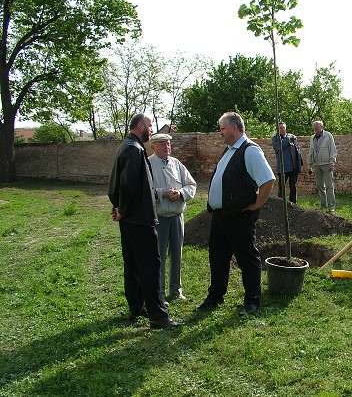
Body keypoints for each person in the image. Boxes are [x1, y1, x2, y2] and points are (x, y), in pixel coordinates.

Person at [108, 114, 183, 329]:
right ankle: (159, 316)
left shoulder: (126, 146)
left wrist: (119, 208)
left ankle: (136, 307)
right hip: (140, 219)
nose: (152, 129)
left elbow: (117, 186)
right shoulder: (134, 149)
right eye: (150, 125)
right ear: (140, 126)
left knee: (133, 264)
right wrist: (121, 209)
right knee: (150, 265)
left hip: (131, 218)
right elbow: (127, 185)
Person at [196, 112, 275, 316]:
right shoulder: (229, 150)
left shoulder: (250, 151)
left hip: (240, 216)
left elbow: (268, 180)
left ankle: (252, 301)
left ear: (234, 128)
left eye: (222, 128)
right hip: (221, 216)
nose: (220, 133)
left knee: (247, 258)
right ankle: (215, 296)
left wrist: (256, 204)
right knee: (218, 257)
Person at [148, 133, 197, 307]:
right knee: (158, 256)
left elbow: (191, 185)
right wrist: (162, 193)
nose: (166, 147)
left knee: (177, 254)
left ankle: (176, 290)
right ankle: (159, 293)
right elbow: (145, 190)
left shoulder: (176, 164)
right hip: (159, 217)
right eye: (162, 144)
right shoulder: (148, 164)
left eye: (168, 144)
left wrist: (181, 193)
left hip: (177, 216)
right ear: (153, 146)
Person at [307, 120, 337, 212]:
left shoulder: (328, 135)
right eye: (314, 126)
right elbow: (311, 152)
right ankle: (323, 205)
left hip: (327, 164)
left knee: (329, 185)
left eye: (317, 126)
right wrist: (309, 165)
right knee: (320, 185)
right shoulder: (312, 138)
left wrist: (332, 162)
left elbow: (333, 149)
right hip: (316, 165)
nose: (315, 128)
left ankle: (331, 206)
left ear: (321, 127)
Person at [271, 121, 303, 203]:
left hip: (293, 167)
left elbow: (297, 151)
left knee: (293, 186)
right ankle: (281, 203)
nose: (282, 129)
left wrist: (299, 164)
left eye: (283, 128)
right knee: (281, 187)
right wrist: (287, 139)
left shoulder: (292, 137)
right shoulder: (275, 138)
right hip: (283, 168)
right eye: (280, 128)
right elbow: (279, 147)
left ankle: (293, 204)